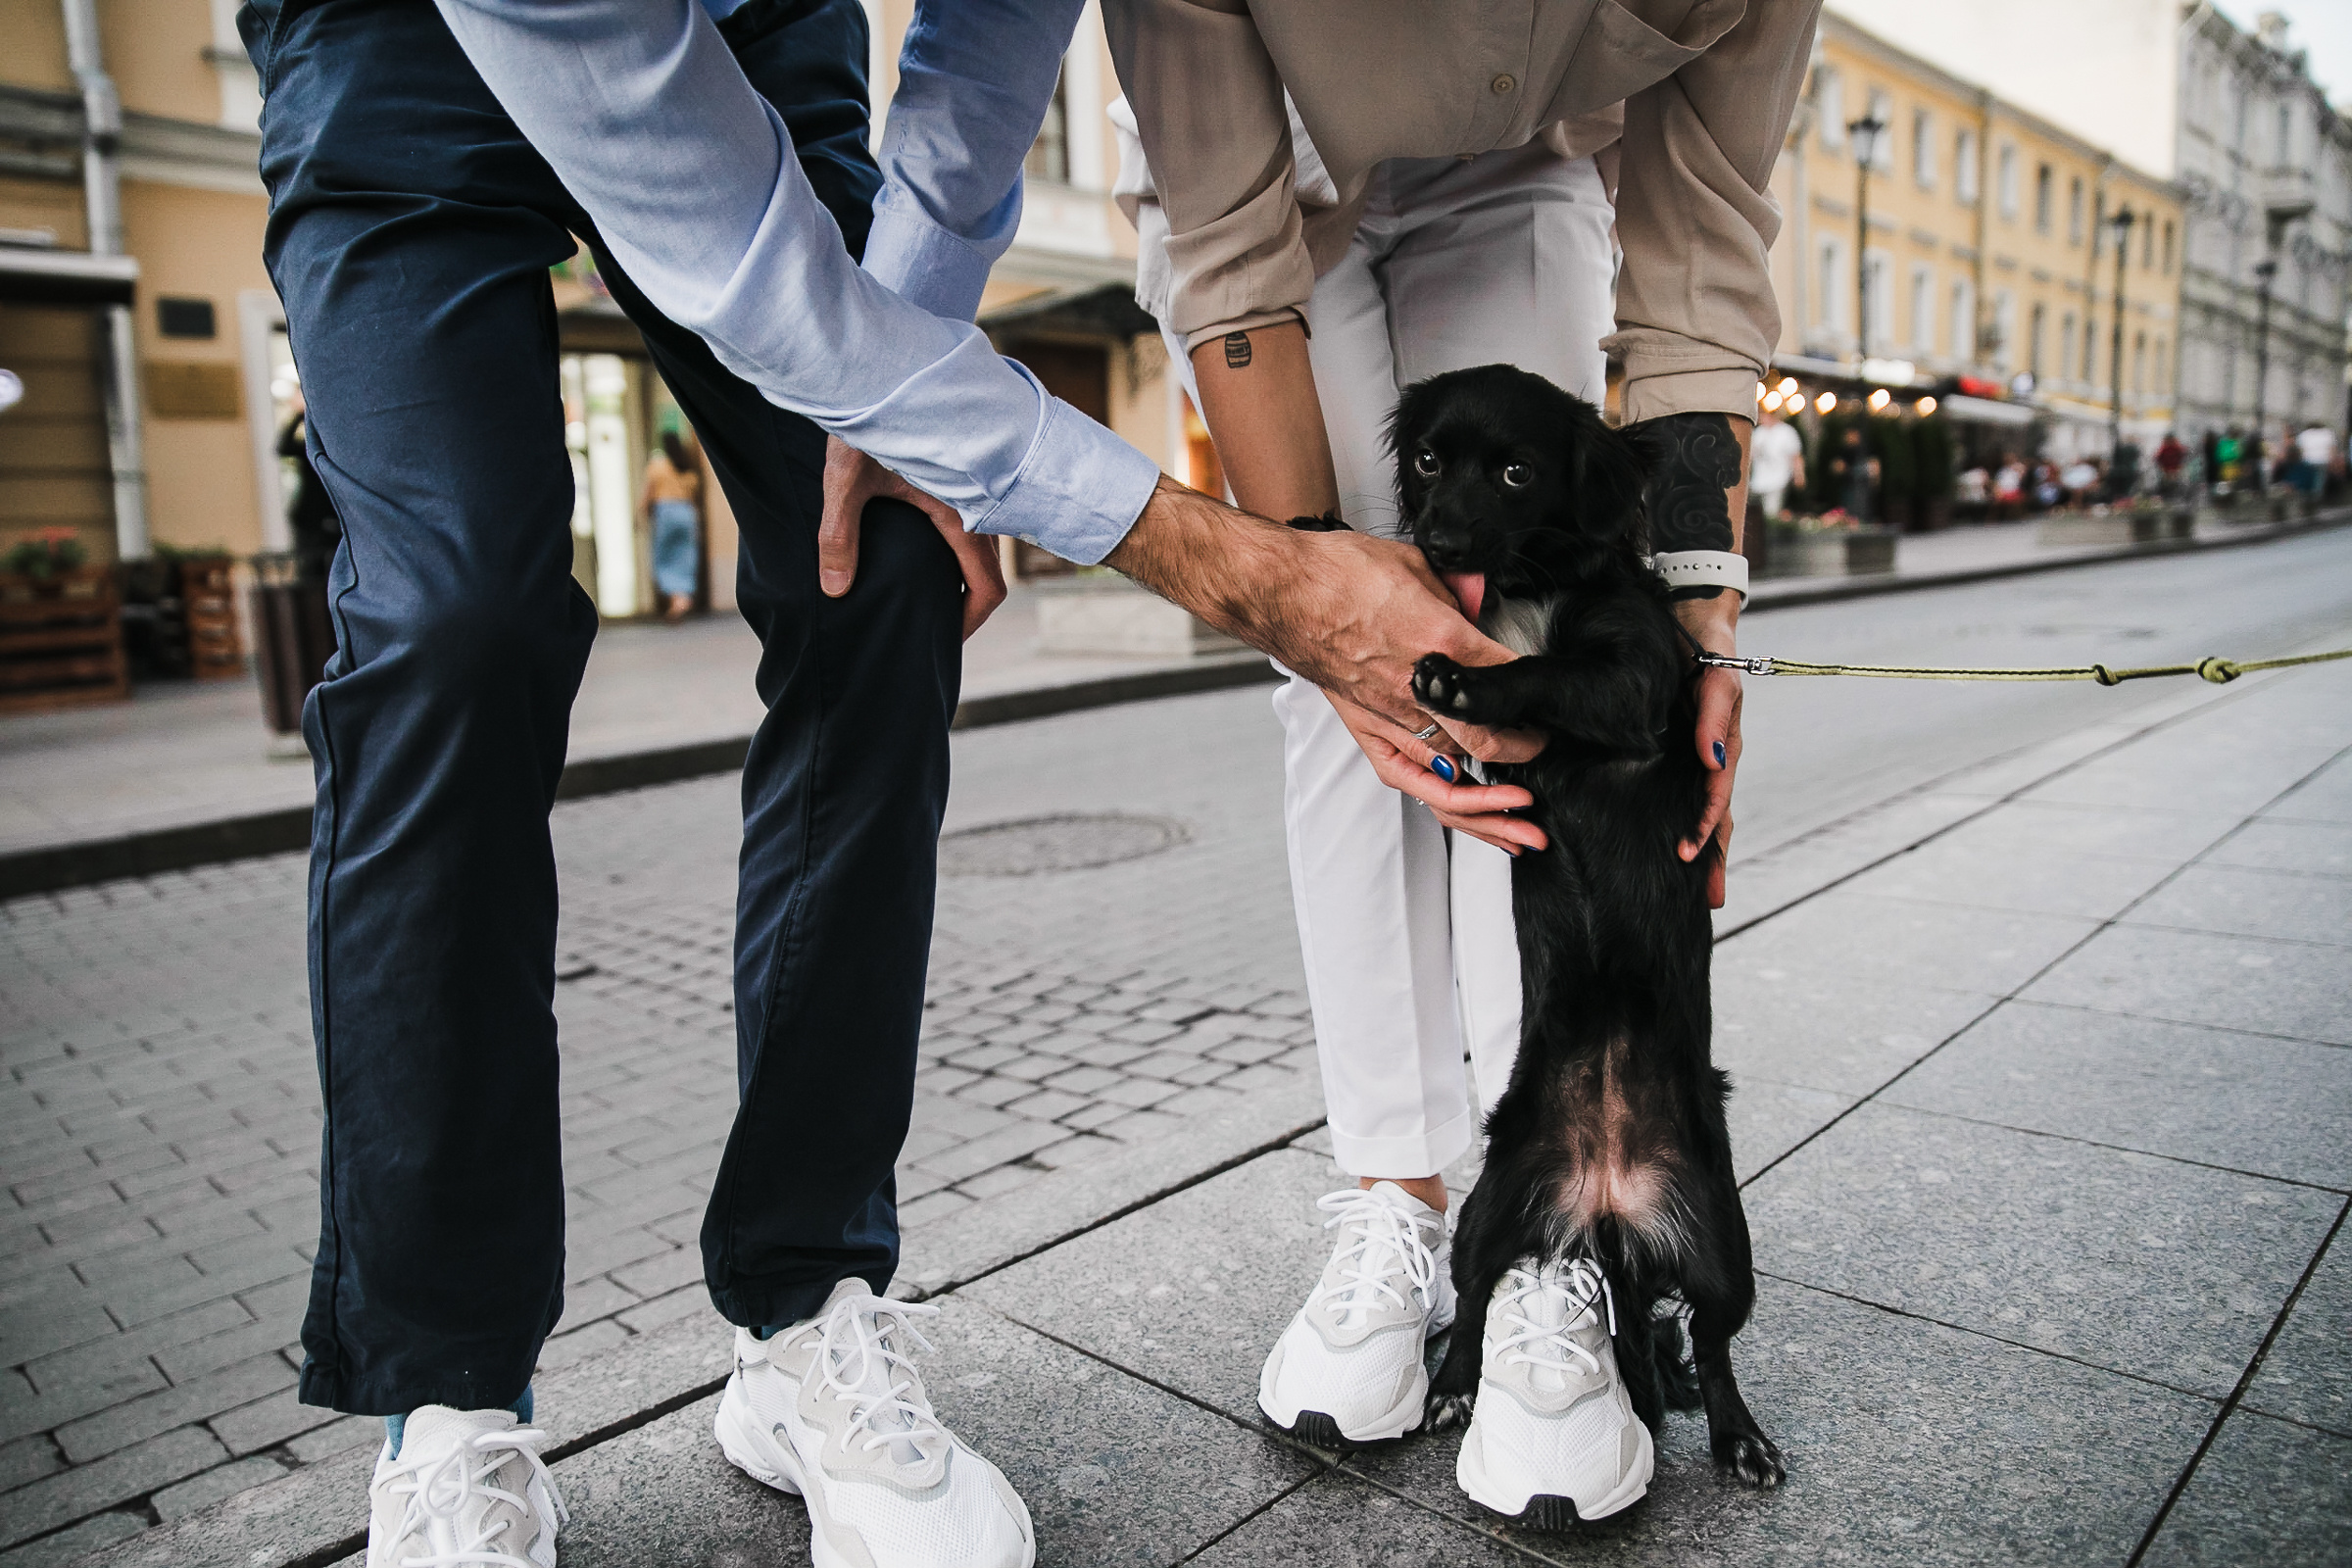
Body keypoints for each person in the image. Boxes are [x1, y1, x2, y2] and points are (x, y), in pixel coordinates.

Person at [240, 0, 1549, 1562]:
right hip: (399, 44)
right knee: (454, 627)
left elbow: (984, 64)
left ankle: (803, 1306)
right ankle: (450, 1398)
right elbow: (755, 279)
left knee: (882, 567)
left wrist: (908, 400)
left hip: (754, 36)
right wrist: (1241, 570)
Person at [1109, 0, 1806, 1523]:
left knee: (1534, 647)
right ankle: (1398, 1195)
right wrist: (1306, 593)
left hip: (1526, 163)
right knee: (1336, 668)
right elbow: (1224, 238)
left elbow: (1702, 240)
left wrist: (1701, 612)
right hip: (1265, 176)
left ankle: (1554, 1233)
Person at [642, 426, 703, 621]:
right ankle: (683, 596)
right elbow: (693, 498)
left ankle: (677, 599)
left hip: (666, 511)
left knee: (664, 556)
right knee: (686, 555)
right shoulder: (686, 468)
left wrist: (641, 513)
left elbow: (649, 493)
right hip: (687, 512)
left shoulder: (658, 465)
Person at [1750, 406, 1807, 521]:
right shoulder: (1759, 432)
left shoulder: (1786, 432)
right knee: (1755, 511)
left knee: (1771, 511)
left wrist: (1799, 475)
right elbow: (1751, 454)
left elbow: (1795, 456)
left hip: (1779, 478)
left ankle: (1770, 529)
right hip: (1759, 479)